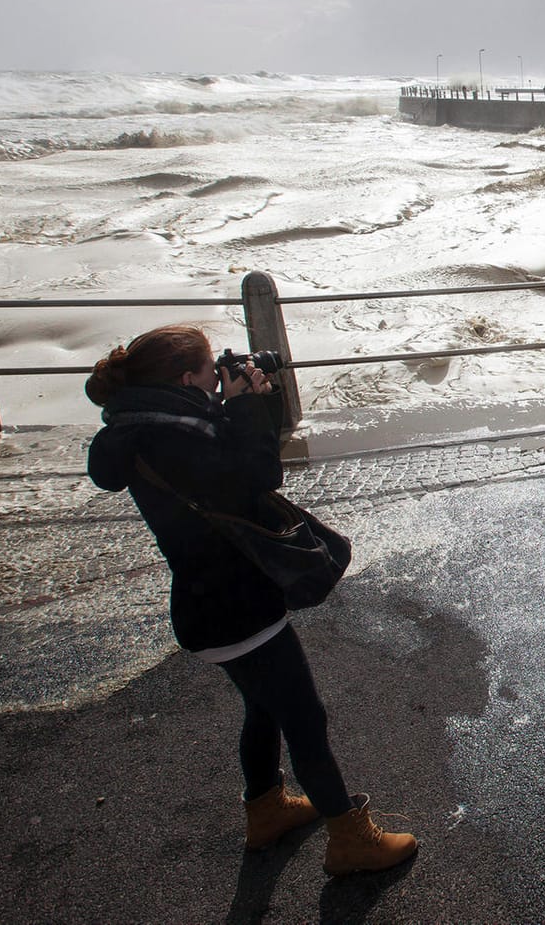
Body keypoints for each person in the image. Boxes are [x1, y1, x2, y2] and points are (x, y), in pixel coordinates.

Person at [85, 324, 416, 875]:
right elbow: (259, 475)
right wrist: (244, 409)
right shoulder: (176, 438)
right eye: (211, 369)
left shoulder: (147, 426)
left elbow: (235, 472)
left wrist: (240, 406)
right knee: (305, 720)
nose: (219, 377)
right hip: (236, 607)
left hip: (209, 602)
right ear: (187, 377)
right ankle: (351, 839)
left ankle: (267, 810)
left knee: (263, 708)